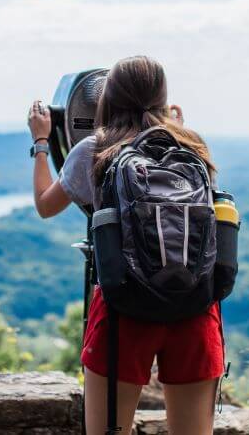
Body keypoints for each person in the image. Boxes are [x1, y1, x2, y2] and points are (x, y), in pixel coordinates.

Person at [27, 55, 224, 435]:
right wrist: (175, 126)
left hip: (124, 305)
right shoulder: (194, 146)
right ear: (163, 98)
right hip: (194, 304)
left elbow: (45, 205)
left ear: (108, 97)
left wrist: (40, 142)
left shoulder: (92, 149)